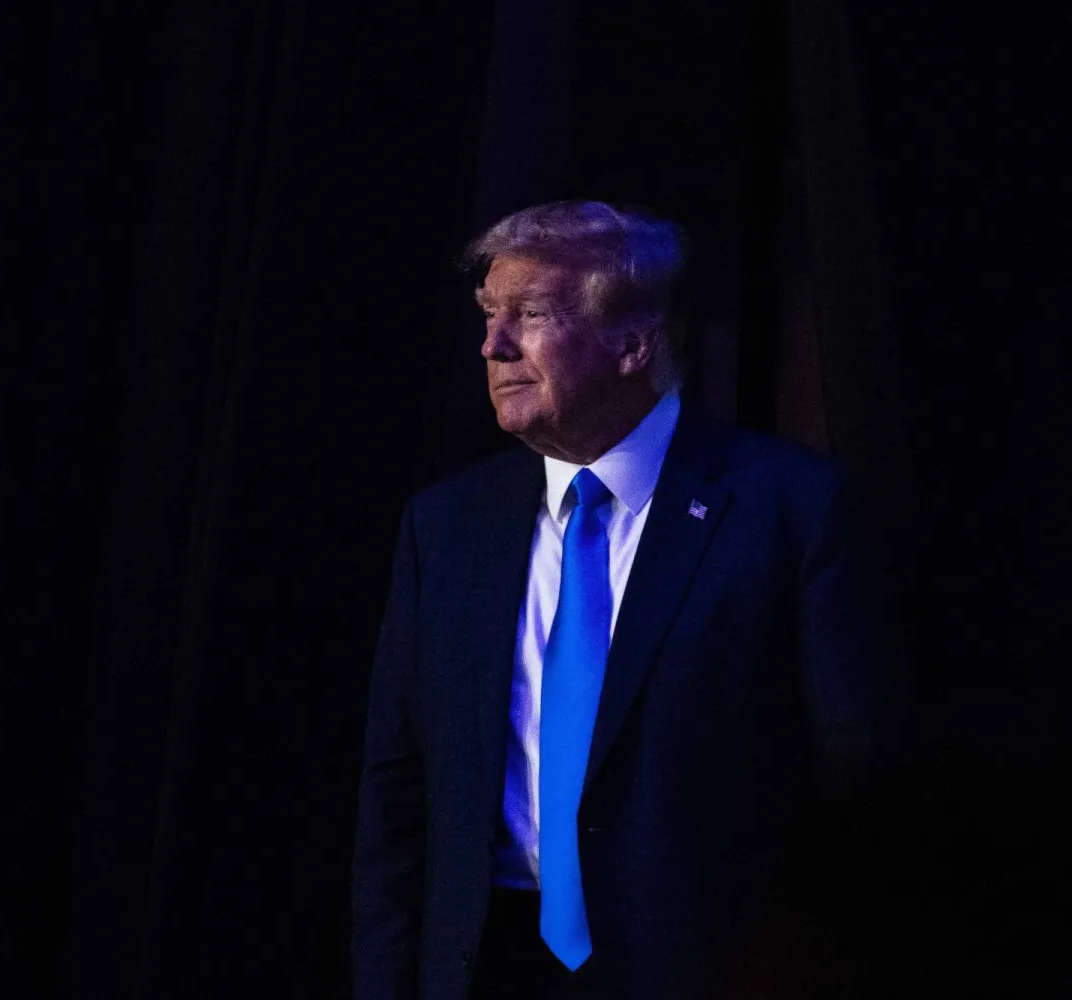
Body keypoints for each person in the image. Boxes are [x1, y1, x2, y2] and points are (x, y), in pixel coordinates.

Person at [351, 201, 903, 1000]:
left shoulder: (792, 510)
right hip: (483, 966)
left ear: (633, 343)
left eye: (530, 314)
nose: (492, 345)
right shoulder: (446, 527)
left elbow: (855, 774)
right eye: (487, 314)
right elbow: (397, 786)